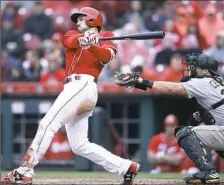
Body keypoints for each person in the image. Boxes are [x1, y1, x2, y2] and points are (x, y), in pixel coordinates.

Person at [1, 7, 140, 185]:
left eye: (81, 19)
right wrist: (85, 39)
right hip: (74, 88)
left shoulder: (107, 35)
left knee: (47, 124)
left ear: (91, 20)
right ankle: (126, 167)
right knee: (80, 145)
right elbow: (70, 41)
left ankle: (25, 169)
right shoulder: (71, 34)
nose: (77, 22)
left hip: (83, 86)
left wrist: (93, 46)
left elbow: (106, 57)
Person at [115, 53, 224, 184]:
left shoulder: (202, 82)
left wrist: (141, 82)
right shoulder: (220, 80)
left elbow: (170, 88)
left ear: (206, 71)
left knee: (185, 132)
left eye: (196, 66)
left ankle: (208, 172)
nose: (192, 68)